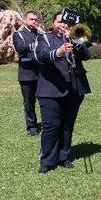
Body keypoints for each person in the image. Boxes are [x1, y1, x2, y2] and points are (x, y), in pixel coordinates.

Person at [33, 11, 91, 174]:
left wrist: (76, 41)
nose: (63, 25)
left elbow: (87, 56)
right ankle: (46, 161)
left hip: (75, 88)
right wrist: (58, 52)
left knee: (67, 125)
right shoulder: (44, 38)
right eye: (59, 22)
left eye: (66, 23)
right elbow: (40, 56)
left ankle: (63, 156)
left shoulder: (75, 37)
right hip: (51, 89)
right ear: (53, 23)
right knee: (51, 126)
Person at [12, 11, 41, 136]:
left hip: (41, 74)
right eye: (31, 19)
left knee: (45, 100)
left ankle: (47, 124)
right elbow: (21, 49)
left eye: (35, 19)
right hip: (27, 75)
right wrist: (38, 43)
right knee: (29, 102)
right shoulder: (18, 34)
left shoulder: (39, 34)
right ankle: (32, 127)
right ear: (25, 20)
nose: (34, 22)